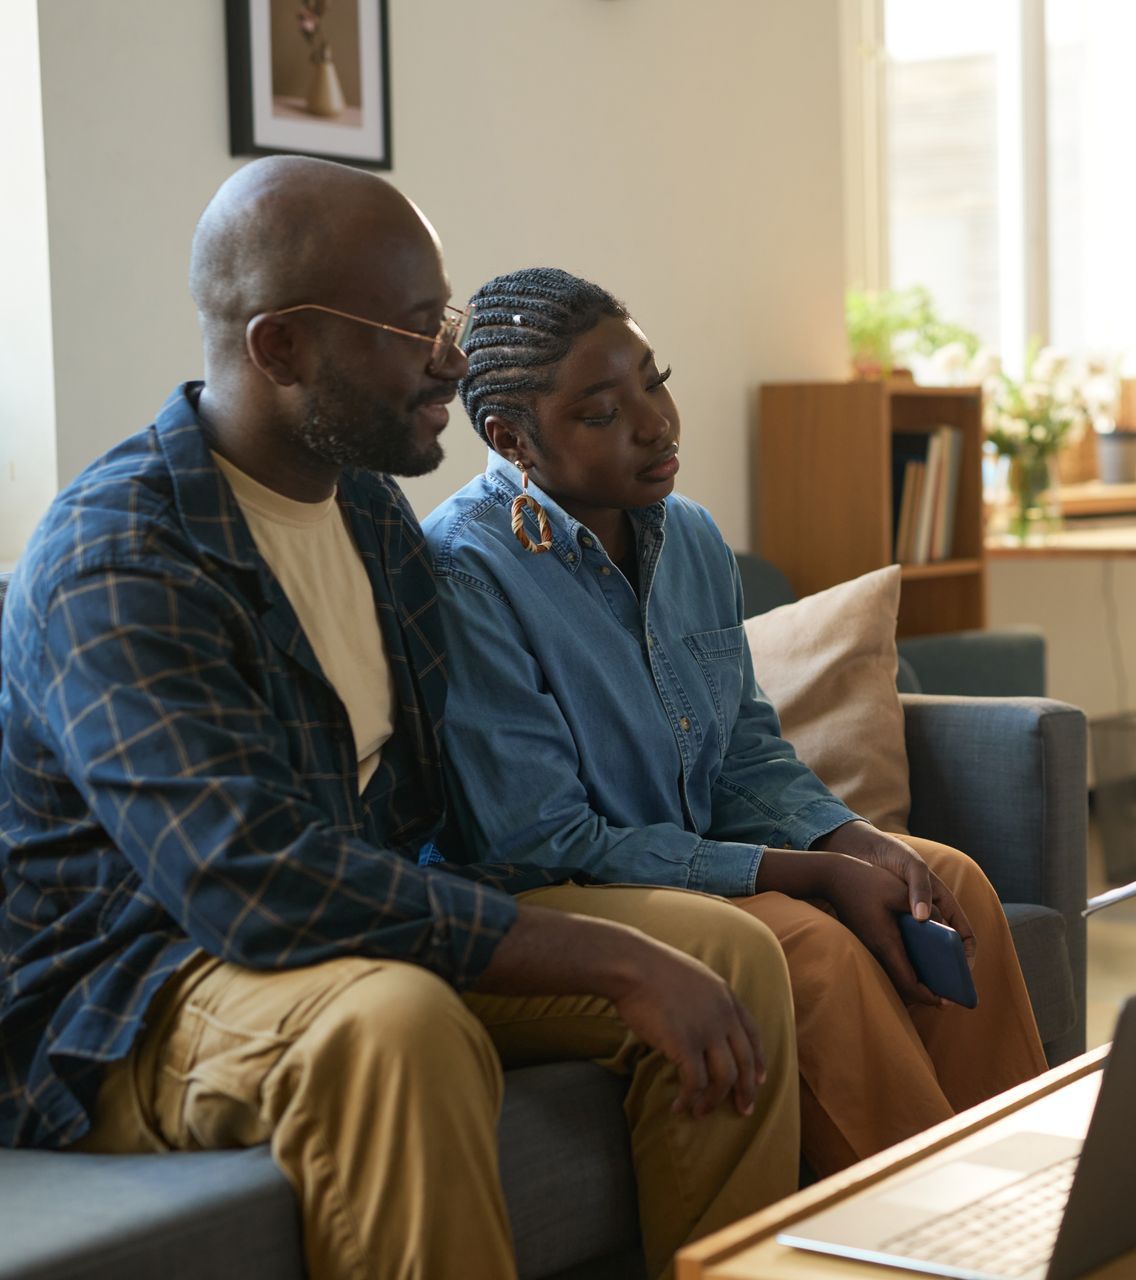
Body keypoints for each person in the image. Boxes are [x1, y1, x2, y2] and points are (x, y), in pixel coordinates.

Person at [0, 158, 799, 1280]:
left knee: (729, 952)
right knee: (399, 1025)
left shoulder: (371, 514)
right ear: (281, 348)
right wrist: (603, 956)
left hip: (356, 931)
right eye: (415, 327)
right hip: (142, 988)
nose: (454, 361)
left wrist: (640, 916)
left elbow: (426, 815)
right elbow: (249, 881)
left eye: (451, 316)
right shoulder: (121, 556)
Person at [421, 267, 1049, 1174]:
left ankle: (1029, 1200)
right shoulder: (464, 573)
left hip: (685, 868)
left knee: (948, 883)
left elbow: (745, 751)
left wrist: (852, 840)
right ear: (511, 437)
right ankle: (928, 1239)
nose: (656, 423)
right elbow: (541, 839)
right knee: (812, 951)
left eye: (655, 380)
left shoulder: (691, 538)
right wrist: (808, 874)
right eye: (602, 412)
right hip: (550, 896)